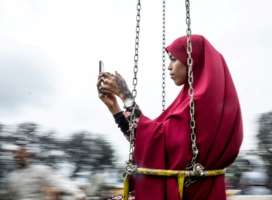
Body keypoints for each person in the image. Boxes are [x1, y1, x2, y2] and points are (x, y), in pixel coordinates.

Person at [97, 35, 243, 200]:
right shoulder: (189, 98)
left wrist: (125, 96)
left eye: (174, 59)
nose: (169, 67)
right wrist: (114, 108)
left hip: (189, 193)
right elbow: (149, 139)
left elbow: (158, 140)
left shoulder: (200, 102)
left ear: (192, 61)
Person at [6, 146, 85, 200]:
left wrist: (75, 191)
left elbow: (58, 181)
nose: (20, 159)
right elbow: (10, 195)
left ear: (29, 157)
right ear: (15, 158)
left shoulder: (40, 170)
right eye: (18, 157)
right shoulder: (12, 177)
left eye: (23, 156)